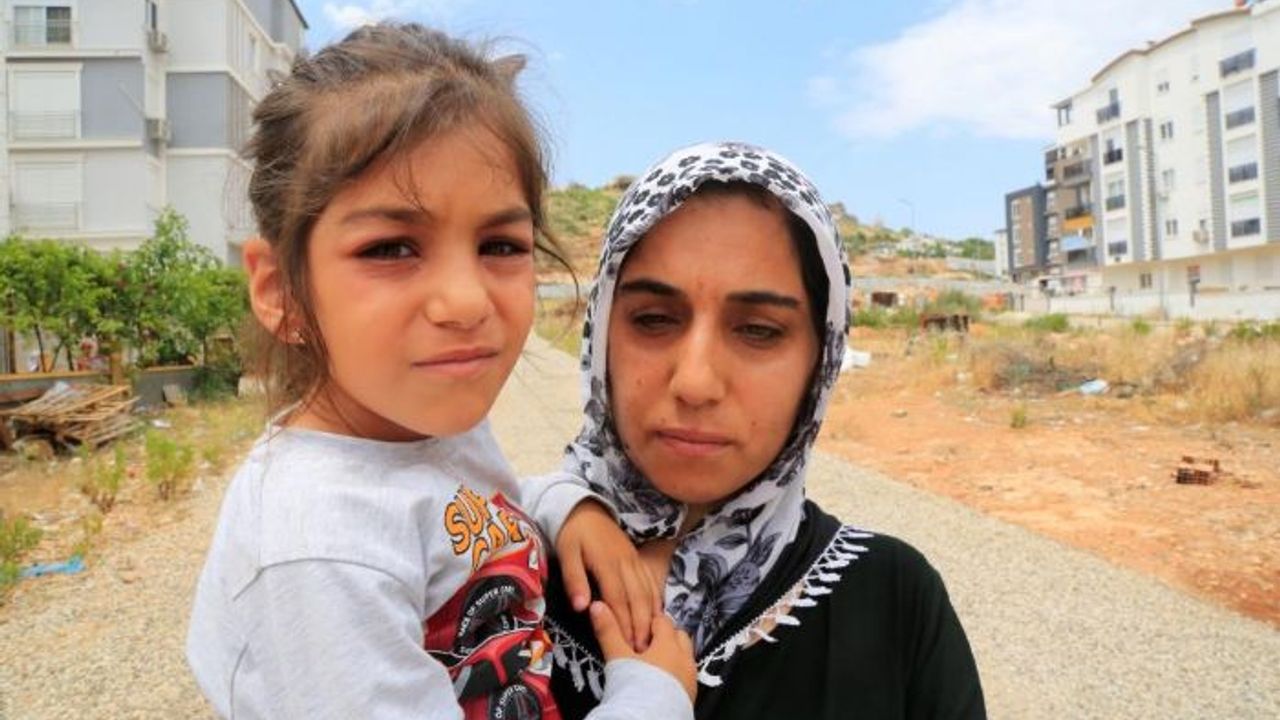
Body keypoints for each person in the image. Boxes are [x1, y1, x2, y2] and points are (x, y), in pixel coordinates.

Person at [185, 24, 694, 720]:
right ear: (281, 291)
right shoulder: (321, 552)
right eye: (392, 248)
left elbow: (472, 510)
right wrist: (653, 694)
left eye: (500, 245)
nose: (465, 301)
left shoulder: (413, 425)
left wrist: (565, 507)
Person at [528, 142, 987, 718]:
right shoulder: (490, 570)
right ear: (601, 339)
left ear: (820, 361)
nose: (696, 382)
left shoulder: (894, 601)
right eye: (654, 319)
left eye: (759, 330)